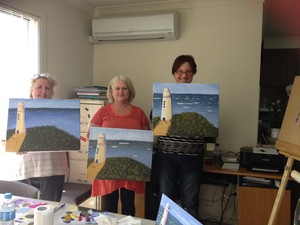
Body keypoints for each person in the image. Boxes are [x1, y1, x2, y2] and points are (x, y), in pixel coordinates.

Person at [0, 73, 68, 201]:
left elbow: (69, 138)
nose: (43, 91)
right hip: (25, 170)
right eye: (39, 87)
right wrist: (13, 146)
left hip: (53, 170)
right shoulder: (18, 110)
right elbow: (3, 140)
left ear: (51, 92)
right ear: (31, 91)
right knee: (25, 211)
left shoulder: (61, 112)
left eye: (47, 88)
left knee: (50, 209)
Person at [89, 74, 150, 216]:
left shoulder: (139, 112)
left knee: (129, 203)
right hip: (108, 165)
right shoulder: (103, 111)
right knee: (110, 204)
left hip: (130, 166)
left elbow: (146, 137)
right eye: (117, 88)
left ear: (130, 92)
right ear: (111, 91)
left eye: (124, 88)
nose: (121, 92)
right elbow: (91, 134)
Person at [154, 55, 205, 219]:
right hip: (166, 155)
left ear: (194, 73)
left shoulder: (201, 97)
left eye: (188, 72)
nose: (184, 75)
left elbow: (207, 125)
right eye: (180, 71)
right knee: (166, 199)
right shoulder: (161, 94)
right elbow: (156, 123)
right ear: (174, 73)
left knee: (190, 201)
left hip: (192, 156)